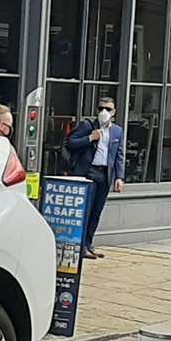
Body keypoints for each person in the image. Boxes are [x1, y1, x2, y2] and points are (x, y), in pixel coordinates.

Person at [64, 96, 125, 259]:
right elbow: (70, 142)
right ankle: (81, 245)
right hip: (88, 172)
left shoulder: (117, 131)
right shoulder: (87, 125)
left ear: (114, 112)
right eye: (101, 109)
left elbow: (119, 155)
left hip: (105, 174)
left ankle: (89, 243)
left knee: (96, 211)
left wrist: (120, 177)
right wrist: (90, 138)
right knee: (86, 210)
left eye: (108, 109)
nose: (104, 112)